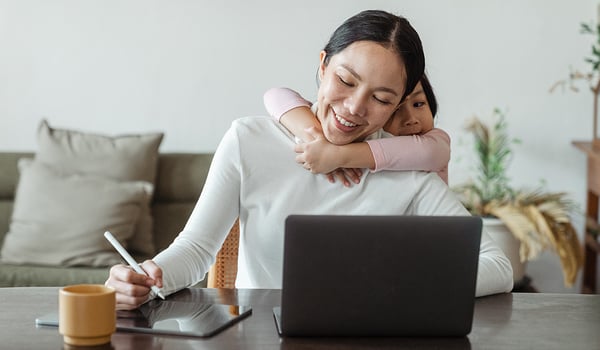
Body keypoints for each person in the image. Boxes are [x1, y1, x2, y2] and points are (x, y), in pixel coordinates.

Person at [106, 9, 513, 310]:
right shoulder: (249, 140)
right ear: (322, 66)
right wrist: (146, 276)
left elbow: (497, 265)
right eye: (346, 81)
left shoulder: (408, 171)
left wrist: (407, 283)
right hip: (259, 336)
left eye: (381, 98)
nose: (354, 108)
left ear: (398, 106)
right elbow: (195, 250)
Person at [263, 74, 450, 186]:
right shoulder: (366, 137)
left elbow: (427, 152)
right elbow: (276, 95)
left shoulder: (436, 142)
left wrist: (337, 155)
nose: (411, 120)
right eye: (395, 110)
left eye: (419, 104)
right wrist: (317, 139)